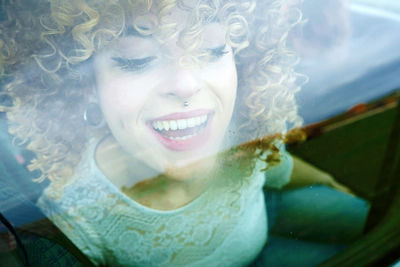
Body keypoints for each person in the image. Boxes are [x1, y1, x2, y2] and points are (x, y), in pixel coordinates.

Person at [0, 0, 361, 266]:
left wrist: (331, 182)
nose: (186, 85)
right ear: (85, 86)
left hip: (271, 228)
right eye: (137, 60)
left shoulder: (240, 135)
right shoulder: (76, 213)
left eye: (214, 50)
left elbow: (279, 167)